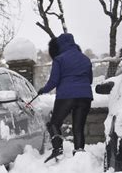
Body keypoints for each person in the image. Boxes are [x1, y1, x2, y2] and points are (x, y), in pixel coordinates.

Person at [38, 33, 93, 163]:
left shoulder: (59, 59)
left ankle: (58, 150)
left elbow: (54, 81)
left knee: (54, 123)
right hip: (85, 96)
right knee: (78, 127)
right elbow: (89, 80)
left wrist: (42, 90)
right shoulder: (85, 59)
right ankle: (79, 156)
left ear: (60, 44)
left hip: (66, 96)